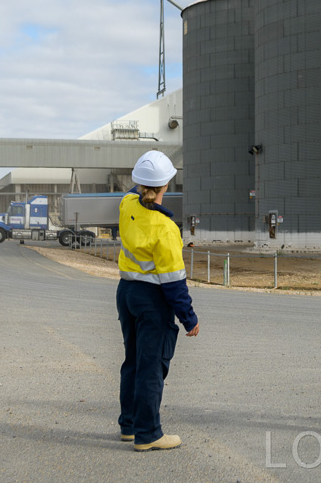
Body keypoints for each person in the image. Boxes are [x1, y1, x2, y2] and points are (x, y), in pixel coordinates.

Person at [117, 150, 199, 451]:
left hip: (126, 292)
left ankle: (129, 425)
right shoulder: (165, 228)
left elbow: (135, 190)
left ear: (138, 182)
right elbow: (174, 282)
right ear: (167, 185)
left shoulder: (127, 205)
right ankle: (148, 433)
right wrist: (189, 318)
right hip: (151, 299)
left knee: (133, 360)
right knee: (151, 366)